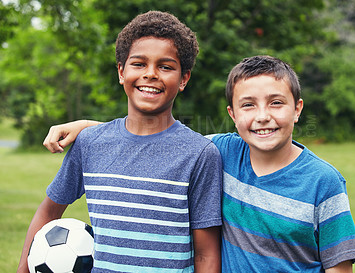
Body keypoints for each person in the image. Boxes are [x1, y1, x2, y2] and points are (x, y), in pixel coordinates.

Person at [43, 55, 355, 272]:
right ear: (233, 115)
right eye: (248, 105)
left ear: (297, 109)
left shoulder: (324, 181)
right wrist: (89, 126)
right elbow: (159, 137)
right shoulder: (219, 152)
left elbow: (339, 266)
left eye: (276, 103)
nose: (263, 116)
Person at [17, 11, 223, 273]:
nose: (151, 74)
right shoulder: (90, 144)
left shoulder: (200, 154)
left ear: (184, 79)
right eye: (139, 64)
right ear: (121, 71)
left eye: (166, 66)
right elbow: (48, 212)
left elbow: (206, 253)